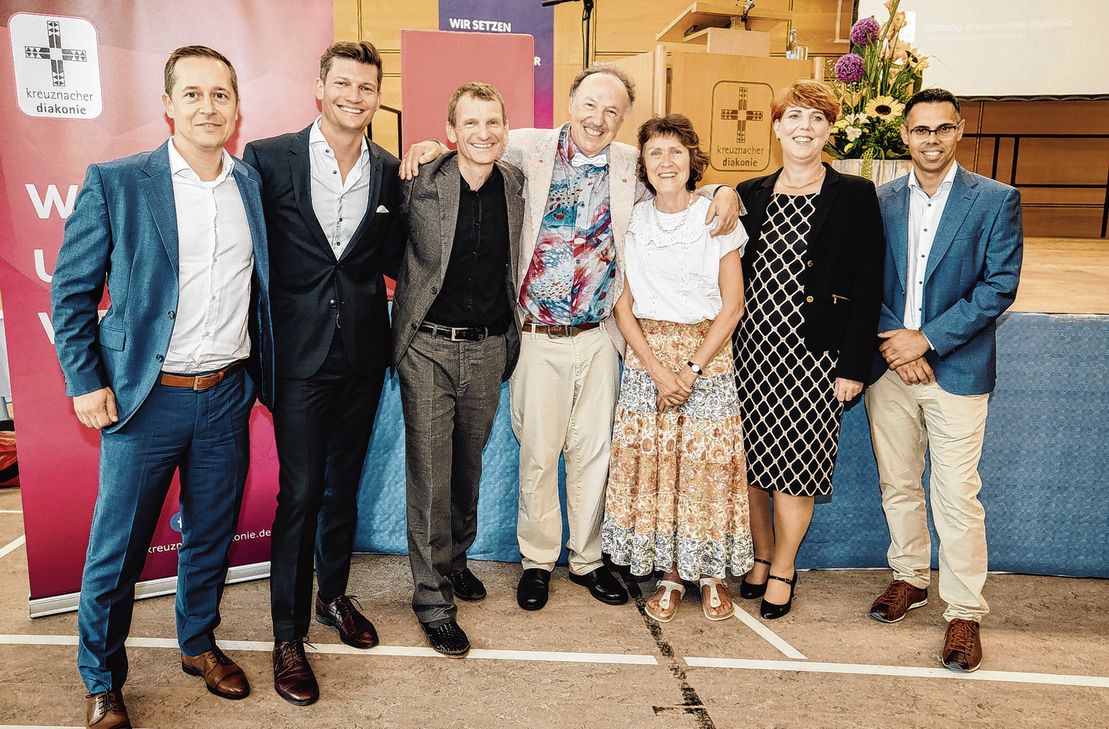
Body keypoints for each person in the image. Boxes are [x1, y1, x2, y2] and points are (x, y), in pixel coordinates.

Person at [402, 63, 743, 612]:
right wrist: (423, 148)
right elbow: (470, 147)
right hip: (537, 334)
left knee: (594, 454)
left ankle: (585, 559)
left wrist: (726, 189)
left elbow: (682, 177)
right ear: (569, 102)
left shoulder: (631, 163)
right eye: (589, 104)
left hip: (601, 336)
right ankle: (537, 562)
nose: (598, 118)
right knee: (538, 455)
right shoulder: (527, 149)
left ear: (623, 119)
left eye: (612, 111)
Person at [51, 45, 274, 729]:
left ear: (237, 107)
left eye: (222, 94)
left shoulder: (252, 186)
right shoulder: (118, 181)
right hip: (144, 399)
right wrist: (86, 379)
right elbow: (71, 292)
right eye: (194, 94)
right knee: (116, 549)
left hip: (226, 393)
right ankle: (101, 678)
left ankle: (197, 642)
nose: (209, 106)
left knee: (209, 533)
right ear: (169, 104)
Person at [243, 41, 404, 705]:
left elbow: (392, 255)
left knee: (342, 489)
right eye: (343, 84)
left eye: (366, 87)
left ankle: (331, 596)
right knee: (302, 492)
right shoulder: (268, 158)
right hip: (298, 358)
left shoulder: (390, 169)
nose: (354, 96)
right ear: (320, 87)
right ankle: (287, 636)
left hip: (363, 354)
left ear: (376, 96)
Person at [865, 88, 1022, 672]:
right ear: (903, 136)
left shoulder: (996, 200)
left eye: (942, 128)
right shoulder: (877, 201)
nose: (930, 139)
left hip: (957, 366)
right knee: (899, 483)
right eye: (920, 129)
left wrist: (926, 339)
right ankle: (909, 578)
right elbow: (862, 282)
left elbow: (999, 286)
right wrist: (896, 342)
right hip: (890, 366)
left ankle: (963, 613)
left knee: (957, 494)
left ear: (959, 132)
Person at [732, 79, 884, 620]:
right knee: (750, 466)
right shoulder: (747, 194)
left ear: (829, 130)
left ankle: (784, 568)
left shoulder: (855, 196)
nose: (804, 127)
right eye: (794, 116)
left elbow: (870, 285)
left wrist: (853, 366)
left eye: (817, 119)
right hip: (749, 351)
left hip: (814, 357)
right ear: (775, 126)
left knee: (795, 469)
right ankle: (759, 553)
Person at [601, 114, 752, 623]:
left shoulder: (716, 217)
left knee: (707, 470)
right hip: (646, 354)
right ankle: (668, 572)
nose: (666, 162)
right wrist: (656, 370)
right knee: (659, 468)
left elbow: (732, 305)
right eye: (655, 153)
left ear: (692, 160)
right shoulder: (632, 220)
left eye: (676, 151)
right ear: (642, 165)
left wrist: (688, 371)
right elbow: (620, 300)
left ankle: (710, 575)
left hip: (707, 354)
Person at [392, 82, 524, 657]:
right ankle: (431, 600)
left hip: (491, 346)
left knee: (466, 470)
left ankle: (455, 561)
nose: (484, 133)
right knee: (430, 473)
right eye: (471, 123)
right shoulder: (419, 178)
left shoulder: (517, 183)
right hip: (428, 347)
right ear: (451, 131)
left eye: (493, 122)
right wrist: (420, 149)